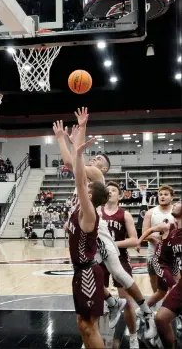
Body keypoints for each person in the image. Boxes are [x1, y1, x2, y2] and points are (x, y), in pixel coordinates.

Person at [53, 108, 155, 336]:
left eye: (99, 158)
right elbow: (75, 161)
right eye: (95, 156)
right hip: (83, 229)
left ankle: (146, 312)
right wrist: (74, 138)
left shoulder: (97, 176)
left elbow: (71, 161)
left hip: (97, 231)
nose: (94, 157)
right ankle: (112, 302)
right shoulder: (85, 176)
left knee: (117, 273)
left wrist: (68, 138)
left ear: (104, 169)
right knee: (87, 270)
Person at [67, 134, 109, 349]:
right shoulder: (78, 209)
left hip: (88, 272)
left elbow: (80, 181)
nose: (83, 187)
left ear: (90, 196)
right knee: (82, 324)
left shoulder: (89, 212)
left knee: (89, 326)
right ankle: (111, 300)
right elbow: (78, 177)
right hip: (79, 271)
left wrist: (79, 151)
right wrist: (73, 144)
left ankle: (113, 300)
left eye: (86, 189)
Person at [138, 200, 182, 348]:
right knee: (162, 315)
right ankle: (144, 312)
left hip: (171, 265)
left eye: (180, 202)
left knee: (163, 291)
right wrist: (140, 241)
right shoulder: (171, 228)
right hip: (161, 263)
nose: (176, 203)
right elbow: (151, 232)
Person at [101, 181, 139, 349]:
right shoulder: (97, 213)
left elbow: (134, 240)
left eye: (114, 190)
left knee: (127, 299)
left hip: (120, 258)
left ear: (120, 195)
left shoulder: (125, 214)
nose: (110, 192)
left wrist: (112, 244)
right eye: (107, 190)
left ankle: (133, 336)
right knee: (99, 300)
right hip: (101, 259)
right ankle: (104, 337)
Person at [142, 185, 175, 292]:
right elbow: (144, 234)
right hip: (154, 254)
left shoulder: (177, 211)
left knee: (174, 286)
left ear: (172, 197)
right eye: (160, 194)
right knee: (157, 289)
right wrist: (159, 242)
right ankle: (156, 307)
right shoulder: (150, 212)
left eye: (166, 194)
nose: (162, 197)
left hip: (173, 254)